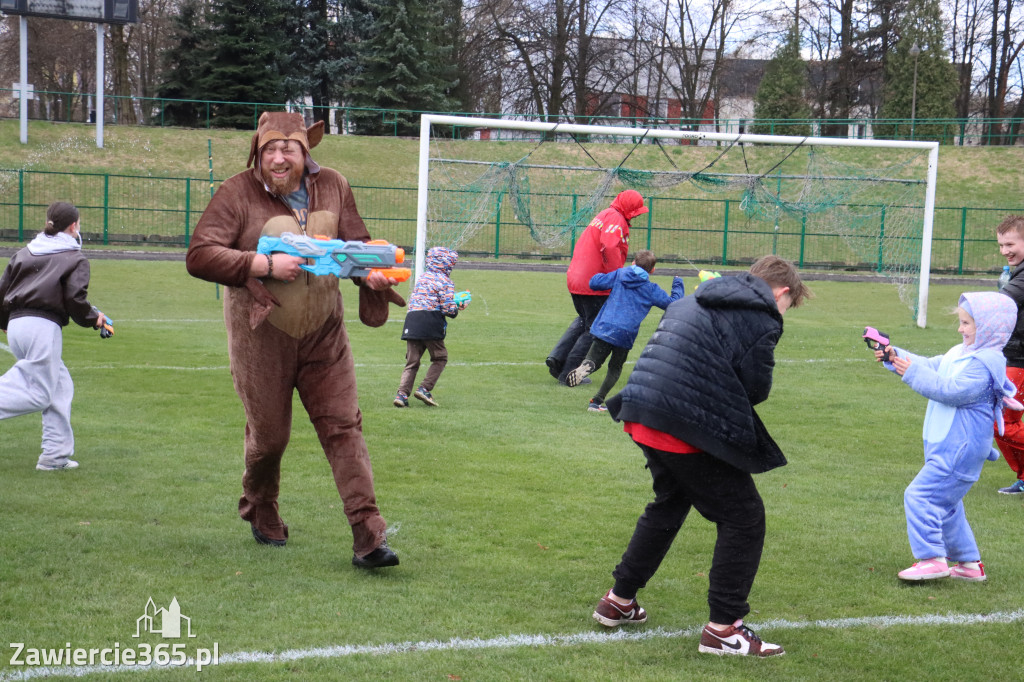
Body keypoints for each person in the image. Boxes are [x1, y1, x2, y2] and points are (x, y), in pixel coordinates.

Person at [185, 112, 405, 569]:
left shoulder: (336, 185)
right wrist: (262, 266)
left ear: (307, 152)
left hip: (325, 332)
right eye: (270, 149)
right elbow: (200, 254)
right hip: (261, 336)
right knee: (270, 439)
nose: (278, 157)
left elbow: (356, 245)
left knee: (344, 427)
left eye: (288, 149)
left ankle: (369, 535)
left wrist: (373, 276)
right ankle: (260, 504)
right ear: (258, 152)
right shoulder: (236, 191)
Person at [590, 255, 809, 658]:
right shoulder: (762, 315)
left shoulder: (696, 297)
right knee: (744, 517)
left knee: (670, 503)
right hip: (680, 420)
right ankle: (724, 630)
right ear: (781, 292)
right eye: (788, 304)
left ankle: (618, 600)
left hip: (643, 409)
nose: (784, 312)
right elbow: (756, 388)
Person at [875, 292, 1018, 582]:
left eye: (967, 323)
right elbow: (932, 366)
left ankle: (932, 558)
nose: (960, 328)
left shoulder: (985, 364)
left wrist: (911, 372)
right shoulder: (962, 352)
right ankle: (968, 564)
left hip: (961, 449)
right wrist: (896, 355)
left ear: (988, 328)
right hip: (949, 445)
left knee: (921, 495)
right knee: (947, 504)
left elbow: (950, 391)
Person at [0, 201, 110, 471]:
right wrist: (94, 319)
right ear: (73, 226)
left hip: (17, 326)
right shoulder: (75, 257)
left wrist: (4, 322)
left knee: (59, 385)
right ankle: (54, 456)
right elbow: (75, 298)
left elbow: (2, 289)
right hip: (41, 326)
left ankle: (55, 456)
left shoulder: (26, 252)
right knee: (38, 394)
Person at [546, 190, 647, 385]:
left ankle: (557, 360)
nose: (636, 214)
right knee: (594, 328)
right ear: (628, 207)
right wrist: (617, 276)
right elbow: (609, 246)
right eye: (635, 210)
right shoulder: (616, 219)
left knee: (584, 321)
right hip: (594, 282)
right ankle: (569, 374)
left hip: (577, 277)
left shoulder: (605, 214)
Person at [565, 250, 684, 413]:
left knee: (594, 360)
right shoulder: (650, 289)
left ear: (633, 262)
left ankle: (586, 366)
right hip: (625, 333)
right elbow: (673, 304)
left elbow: (594, 283)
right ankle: (596, 402)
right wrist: (678, 283)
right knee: (615, 368)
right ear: (652, 270)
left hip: (605, 326)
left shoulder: (621, 274)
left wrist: (603, 272)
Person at [393, 246, 466, 408]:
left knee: (412, 362)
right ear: (447, 264)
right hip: (430, 321)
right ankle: (424, 388)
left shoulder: (423, 278)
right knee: (440, 357)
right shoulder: (445, 281)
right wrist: (457, 307)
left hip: (412, 321)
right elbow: (448, 308)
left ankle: (402, 395)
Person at [994, 215, 1024, 494]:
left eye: (1010, 244)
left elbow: (1000, 303)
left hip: (1019, 361)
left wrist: (969, 313)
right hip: (1011, 357)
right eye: (1001, 245)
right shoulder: (1015, 273)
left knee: (1001, 422)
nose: (1005, 251)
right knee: (1002, 422)